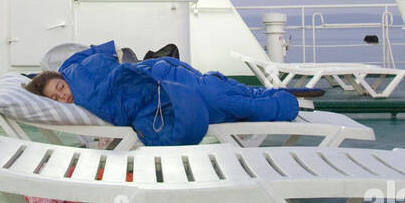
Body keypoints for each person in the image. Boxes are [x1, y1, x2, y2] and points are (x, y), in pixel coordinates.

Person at [24, 40, 298, 145]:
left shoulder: (76, 72)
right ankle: (275, 98)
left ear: (62, 78)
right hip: (163, 93)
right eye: (56, 99)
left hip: (163, 76)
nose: (63, 97)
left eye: (60, 88)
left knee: (222, 97)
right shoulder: (81, 96)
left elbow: (108, 62)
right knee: (227, 103)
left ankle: (286, 101)